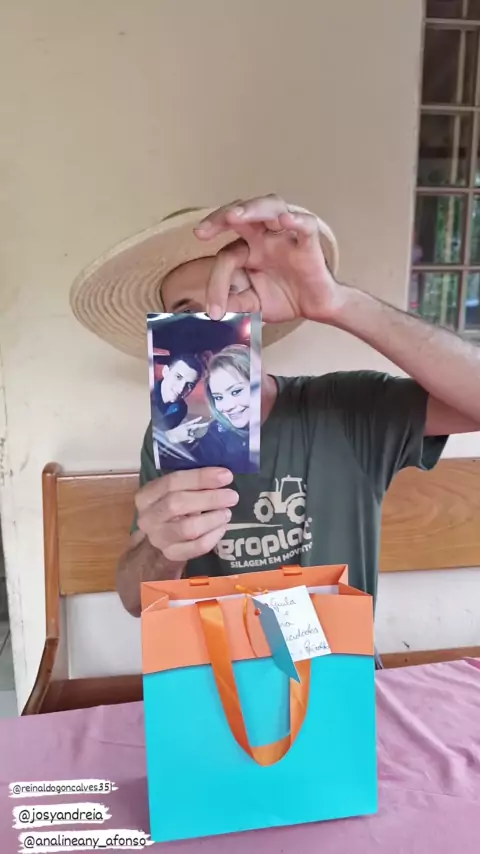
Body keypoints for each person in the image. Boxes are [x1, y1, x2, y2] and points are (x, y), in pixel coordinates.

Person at [69, 195, 480, 621]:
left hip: (338, 660)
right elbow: (135, 600)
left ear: (261, 309)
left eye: (230, 293)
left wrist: (339, 302)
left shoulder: (349, 408)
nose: (213, 316)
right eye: (188, 312)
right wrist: (163, 550)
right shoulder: (176, 436)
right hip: (219, 661)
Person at [190, 344, 259, 472]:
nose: (227, 407)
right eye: (218, 397)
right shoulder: (214, 438)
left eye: (236, 392)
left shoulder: (287, 424)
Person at [153, 353, 203, 432]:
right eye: (178, 377)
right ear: (165, 371)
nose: (181, 389)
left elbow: (161, 432)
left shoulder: (180, 409)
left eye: (190, 385)